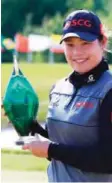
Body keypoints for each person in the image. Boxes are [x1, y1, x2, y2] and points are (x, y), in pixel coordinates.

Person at [22, 9, 112, 182]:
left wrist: (50, 150)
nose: (77, 52)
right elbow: (63, 139)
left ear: (102, 42)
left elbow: (107, 159)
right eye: (70, 45)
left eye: (85, 43)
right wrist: (28, 124)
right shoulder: (58, 88)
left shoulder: (109, 90)